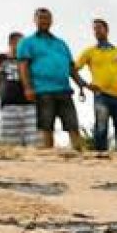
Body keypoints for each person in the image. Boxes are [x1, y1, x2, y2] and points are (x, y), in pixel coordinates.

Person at [17, 8, 87, 150]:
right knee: (46, 125)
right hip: (43, 90)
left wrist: (81, 83)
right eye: (41, 18)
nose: (44, 21)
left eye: (47, 18)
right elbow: (23, 67)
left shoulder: (61, 43)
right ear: (35, 20)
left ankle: (79, 153)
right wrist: (28, 88)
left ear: (51, 21)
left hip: (64, 89)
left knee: (72, 124)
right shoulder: (27, 42)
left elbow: (71, 67)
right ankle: (48, 156)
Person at [76, 19, 117, 153]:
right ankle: (101, 157)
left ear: (107, 29)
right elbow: (73, 68)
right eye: (94, 29)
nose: (97, 31)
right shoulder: (90, 51)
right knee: (101, 128)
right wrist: (84, 84)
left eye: (100, 28)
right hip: (101, 96)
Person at [0, 32, 36, 147]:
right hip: (9, 105)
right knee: (10, 143)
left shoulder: (28, 60)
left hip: (30, 104)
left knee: (34, 141)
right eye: (18, 42)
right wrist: (2, 91)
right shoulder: (1, 58)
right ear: (11, 43)